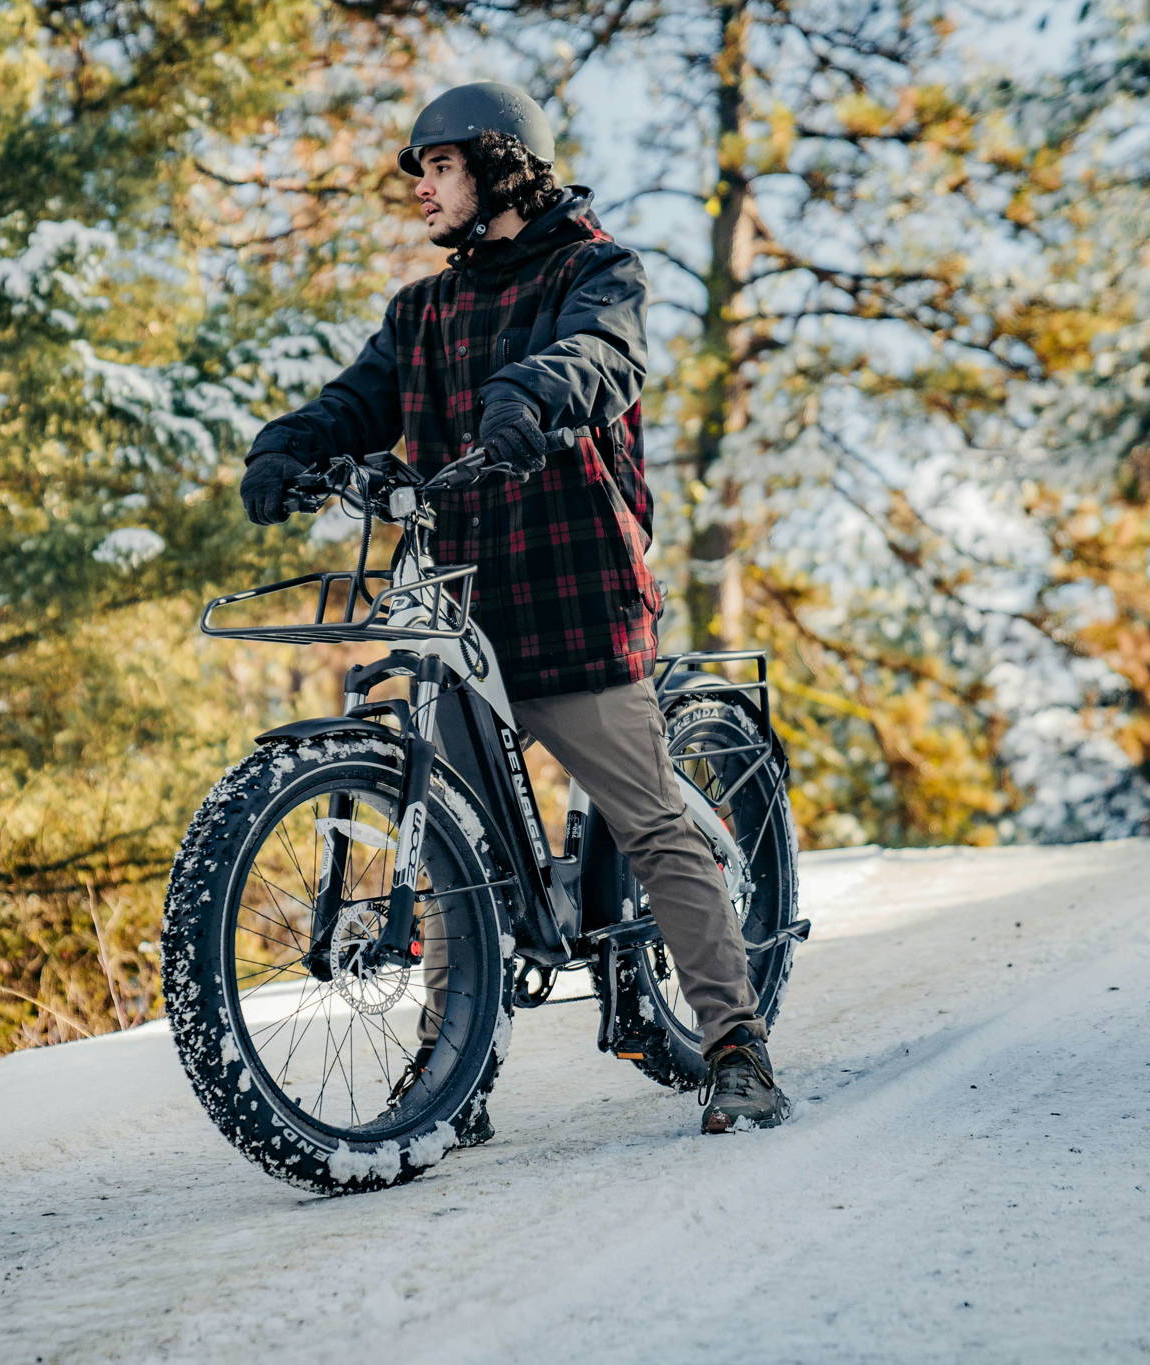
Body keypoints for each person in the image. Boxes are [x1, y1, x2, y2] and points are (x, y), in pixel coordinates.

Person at [238, 81, 789, 1135]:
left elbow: (601, 355)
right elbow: (361, 400)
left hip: (570, 591)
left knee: (648, 820)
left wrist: (532, 392)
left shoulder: (595, 268)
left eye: (435, 168)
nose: (420, 192)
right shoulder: (424, 309)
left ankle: (734, 1046)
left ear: (498, 167)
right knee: (445, 835)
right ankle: (455, 1070)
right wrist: (291, 446)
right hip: (455, 599)